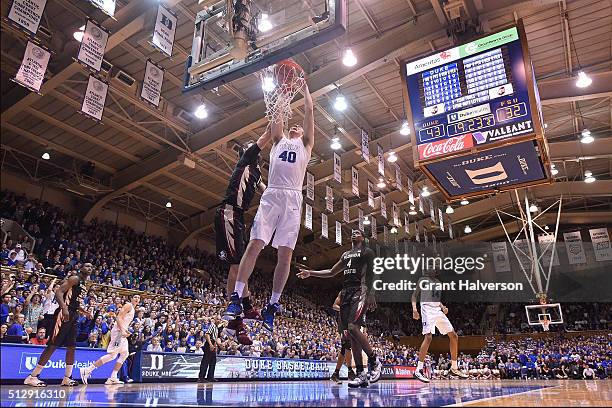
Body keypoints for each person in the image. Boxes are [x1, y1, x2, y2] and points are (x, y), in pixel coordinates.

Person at [225, 81, 314, 335]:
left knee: (285, 255)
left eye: (298, 126)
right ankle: (236, 296)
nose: (296, 126)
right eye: (292, 125)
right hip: (273, 193)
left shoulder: (306, 144)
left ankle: (273, 306)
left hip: (293, 198)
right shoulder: (278, 140)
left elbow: (309, 112)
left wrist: (304, 87)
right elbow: (276, 114)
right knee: (255, 244)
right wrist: (285, 91)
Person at [297, 229, 382, 388]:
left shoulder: (367, 252)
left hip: (360, 289)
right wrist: (311, 272)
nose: (354, 233)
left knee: (353, 327)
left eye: (358, 232)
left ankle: (374, 360)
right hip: (346, 292)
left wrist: (371, 293)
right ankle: (361, 375)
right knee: (351, 334)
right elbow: (330, 272)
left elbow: (373, 272)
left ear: (363, 237)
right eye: (353, 232)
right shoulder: (345, 255)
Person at [216, 127, 273, 345]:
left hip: (238, 217)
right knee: (238, 267)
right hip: (228, 212)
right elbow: (266, 135)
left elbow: (266, 190)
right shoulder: (246, 160)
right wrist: (278, 113)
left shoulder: (256, 172)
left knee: (238, 268)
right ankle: (245, 308)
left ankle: (235, 323)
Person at [24, 263, 92, 387]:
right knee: (53, 344)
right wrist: (64, 308)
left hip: (74, 314)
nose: (89, 268)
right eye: (87, 266)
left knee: (71, 347)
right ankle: (32, 376)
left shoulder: (84, 283)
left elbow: (74, 301)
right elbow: (59, 292)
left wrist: (84, 312)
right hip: (63, 314)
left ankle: (67, 377)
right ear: (81, 268)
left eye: (91, 267)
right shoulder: (74, 278)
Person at [411, 269, 468, 383]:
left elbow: (435, 298)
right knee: (428, 337)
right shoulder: (422, 279)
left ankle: (454, 367)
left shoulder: (438, 282)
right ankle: (418, 370)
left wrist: (442, 307)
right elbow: (414, 295)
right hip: (426, 309)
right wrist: (414, 310)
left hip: (437, 310)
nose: (433, 269)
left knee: (454, 336)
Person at [80, 294, 140, 385]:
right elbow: (118, 317)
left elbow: (123, 321)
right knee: (112, 355)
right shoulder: (128, 305)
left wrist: (126, 329)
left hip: (122, 331)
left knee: (125, 353)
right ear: (131, 298)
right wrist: (123, 330)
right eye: (135, 297)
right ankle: (87, 370)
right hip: (119, 332)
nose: (137, 299)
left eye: (139, 298)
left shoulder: (133, 308)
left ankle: (113, 377)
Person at [329, 291, 356, 384]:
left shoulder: (357, 294)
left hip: (350, 324)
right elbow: (334, 306)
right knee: (347, 346)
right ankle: (350, 372)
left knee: (345, 348)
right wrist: (344, 310)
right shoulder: (343, 292)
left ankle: (336, 374)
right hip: (343, 324)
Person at [199, 318, 225, 383]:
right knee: (205, 361)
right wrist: (210, 344)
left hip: (213, 344)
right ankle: (201, 378)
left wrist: (215, 345)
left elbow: (215, 338)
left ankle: (210, 377)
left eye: (220, 320)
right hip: (209, 344)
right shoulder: (212, 325)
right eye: (218, 319)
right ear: (215, 320)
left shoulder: (216, 328)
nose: (219, 320)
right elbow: (207, 334)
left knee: (213, 361)